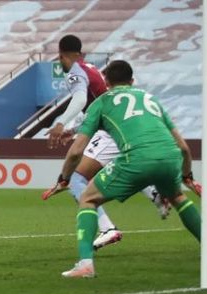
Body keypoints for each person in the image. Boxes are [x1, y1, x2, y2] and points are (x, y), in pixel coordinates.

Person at [52, 60, 201, 278]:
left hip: (136, 157)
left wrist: (64, 179)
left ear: (106, 82)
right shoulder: (151, 100)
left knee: (87, 198)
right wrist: (187, 176)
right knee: (178, 198)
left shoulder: (101, 102)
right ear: (132, 81)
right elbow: (184, 148)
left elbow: (76, 152)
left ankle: (85, 264)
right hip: (170, 157)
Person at [45, 35, 169, 250]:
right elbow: (97, 106)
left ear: (62, 55)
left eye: (60, 59)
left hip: (110, 130)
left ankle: (107, 228)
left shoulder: (75, 71)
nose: (60, 63)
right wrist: (73, 130)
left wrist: (60, 123)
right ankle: (155, 194)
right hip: (124, 126)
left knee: (77, 179)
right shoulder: (90, 68)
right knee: (124, 165)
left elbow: (82, 100)